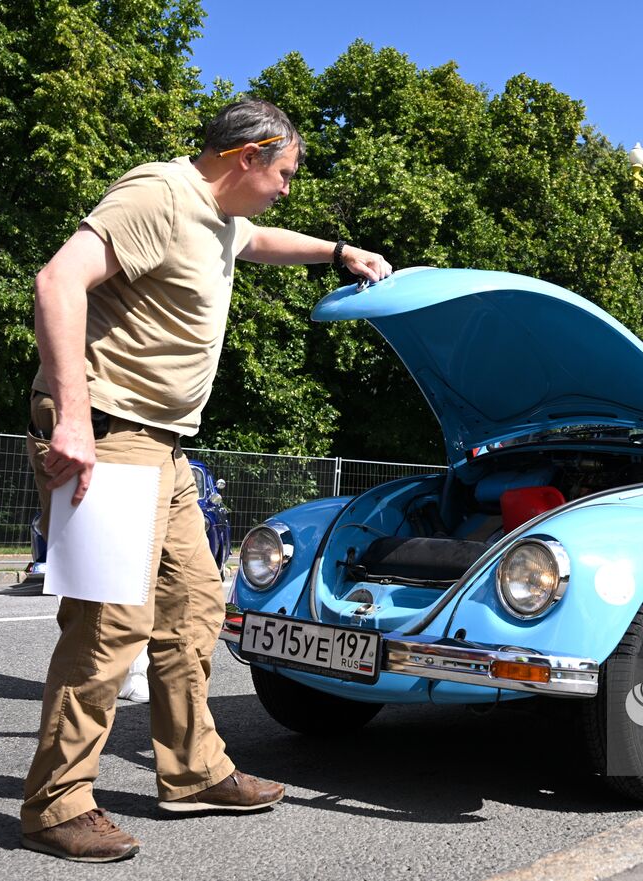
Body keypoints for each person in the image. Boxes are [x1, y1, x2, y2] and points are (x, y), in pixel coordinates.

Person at [21, 99, 393, 862]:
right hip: (110, 432)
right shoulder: (160, 193)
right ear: (249, 155)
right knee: (108, 624)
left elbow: (259, 240)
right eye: (285, 172)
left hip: (165, 448)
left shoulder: (220, 217)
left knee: (194, 605)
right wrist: (74, 421)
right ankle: (56, 803)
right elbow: (58, 282)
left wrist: (338, 252)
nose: (288, 188)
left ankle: (193, 771)